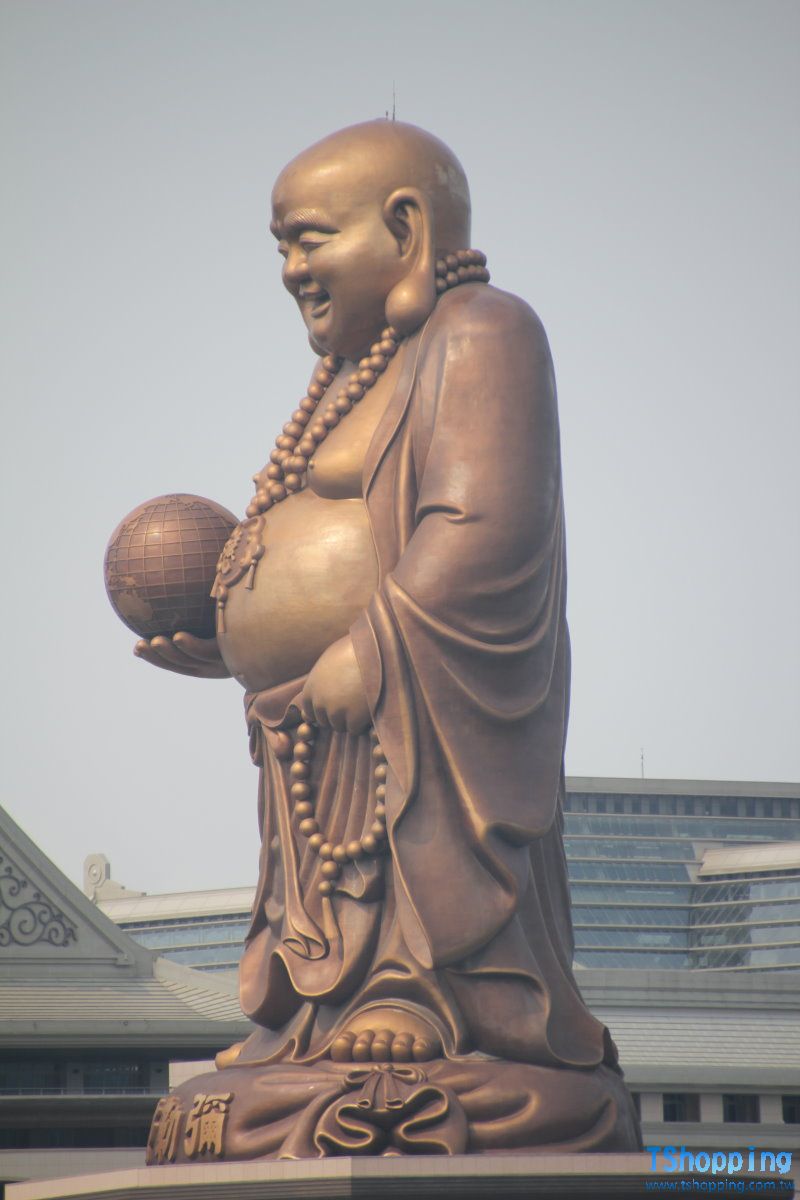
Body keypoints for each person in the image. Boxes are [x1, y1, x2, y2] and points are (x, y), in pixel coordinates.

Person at [140, 120, 641, 1158]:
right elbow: (316, 552)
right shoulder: (351, 372)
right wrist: (240, 643)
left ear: (405, 228)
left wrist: (374, 647)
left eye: (310, 238)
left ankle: (418, 991)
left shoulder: (483, 331)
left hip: (414, 692)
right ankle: (322, 1011)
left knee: (400, 828)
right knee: (323, 880)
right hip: (312, 726)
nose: (291, 270)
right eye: (280, 246)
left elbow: (484, 524)